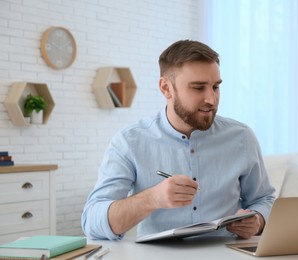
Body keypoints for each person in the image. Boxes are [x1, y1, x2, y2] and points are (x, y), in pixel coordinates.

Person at [81, 39, 275, 240]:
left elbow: (264, 198)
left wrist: (258, 220)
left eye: (215, 87)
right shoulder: (129, 142)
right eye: (198, 88)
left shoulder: (242, 137)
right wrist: (152, 198)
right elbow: (92, 223)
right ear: (166, 88)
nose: (211, 99)